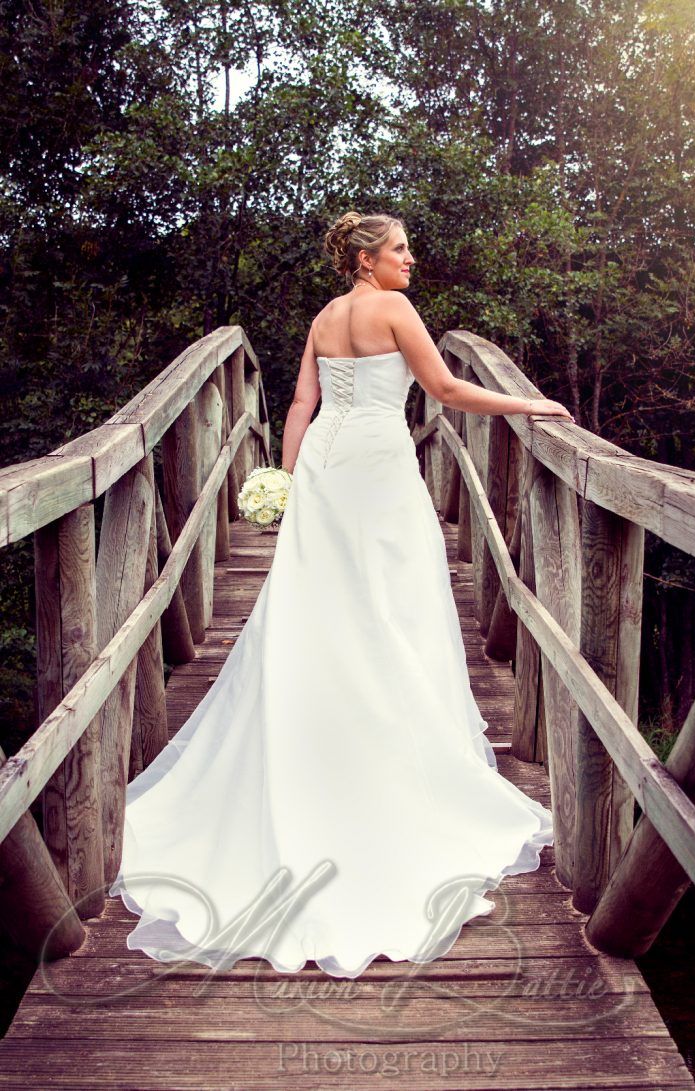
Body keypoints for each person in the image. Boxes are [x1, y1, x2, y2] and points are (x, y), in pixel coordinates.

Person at [108, 211, 570, 979]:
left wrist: (285, 479)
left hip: (326, 464)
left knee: (319, 602)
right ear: (365, 259)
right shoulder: (392, 308)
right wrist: (531, 405)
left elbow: (298, 406)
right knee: (390, 604)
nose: (410, 260)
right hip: (380, 466)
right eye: (399, 249)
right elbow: (445, 387)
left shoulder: (325, 316)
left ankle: (319, 727)